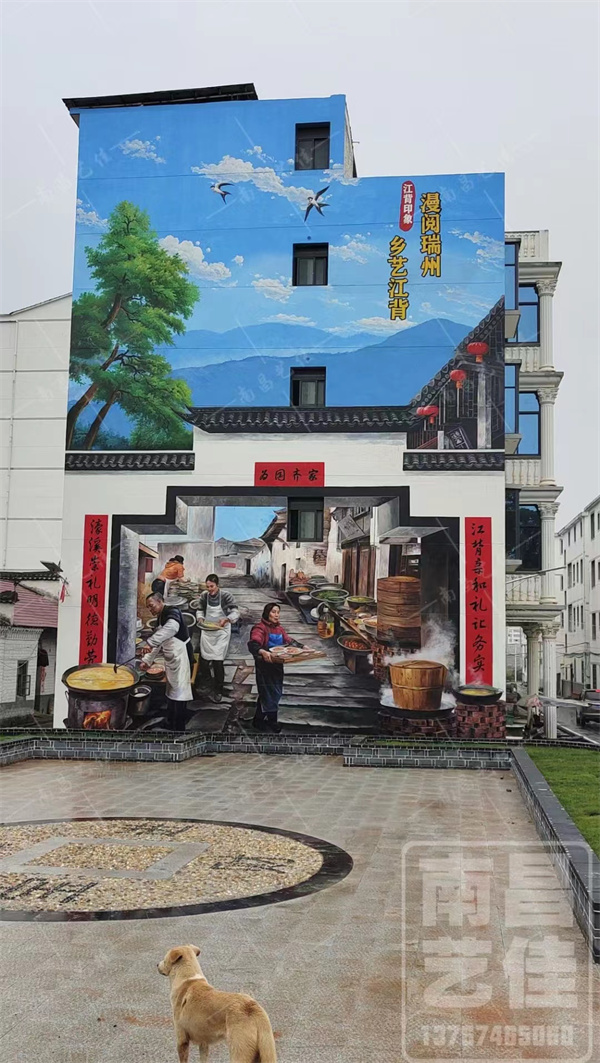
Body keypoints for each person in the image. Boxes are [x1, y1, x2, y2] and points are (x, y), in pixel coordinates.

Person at [139, 592, 193, 730]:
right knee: (172, 692)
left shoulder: (172, 611)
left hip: (182, 656)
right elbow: (158, 642)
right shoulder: (160, 617)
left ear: (160, 601)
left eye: (151, 606)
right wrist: (147, 660)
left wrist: (150, 642)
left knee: (180, 693)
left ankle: (178, 727)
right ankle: (171, 722)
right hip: (172, 659)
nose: (150, 609)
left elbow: (172, 628)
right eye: (148, 607)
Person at [248, 602, 303, 733]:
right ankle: (269, 721)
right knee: (267, 693)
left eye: (278, 612)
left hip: (277, 666)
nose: (276, 615)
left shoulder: (279, 629)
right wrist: (263, 651)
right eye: (273, 612)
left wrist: (302, 647)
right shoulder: (260, 628)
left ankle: (260, 720)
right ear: (267, 613)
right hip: (264, 667)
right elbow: (253, 644)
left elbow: (288, 640)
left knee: (275, 693)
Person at [195, 574, 240, 703]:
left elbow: (235, 612)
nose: (209, 589)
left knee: (217, 661)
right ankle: (208, 684)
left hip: (221, 631)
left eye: (212, 586)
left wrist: (227, 619)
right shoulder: (204, 596)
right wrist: (200, 618)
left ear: (218, 585)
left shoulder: (226, 596)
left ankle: (218, 689)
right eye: (208, 586)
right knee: (204, 660)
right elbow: (200, 610)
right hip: (208, 631)